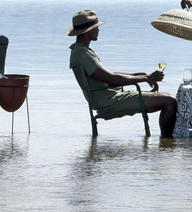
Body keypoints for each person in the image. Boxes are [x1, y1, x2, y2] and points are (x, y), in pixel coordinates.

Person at [66, 9, 178, 137]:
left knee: (169, 98)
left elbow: (107, 74)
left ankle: (165, 144)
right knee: (170, 101)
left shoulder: (81, 51)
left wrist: (139, 75)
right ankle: (166, 147)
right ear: (88, 31)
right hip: (109, 101)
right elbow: (111, 78)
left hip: (109, 97)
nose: (98, 30)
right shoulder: (82, 53)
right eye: (96, 27)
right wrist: (145, 77)